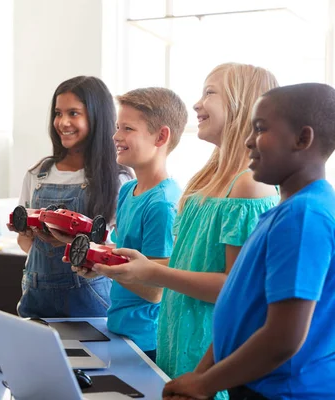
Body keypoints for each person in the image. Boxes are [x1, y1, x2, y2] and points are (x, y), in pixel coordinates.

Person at [92, 64, 280, 388]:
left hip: (209, 361)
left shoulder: (249, 186)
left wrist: (153, 273)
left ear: (242, 104)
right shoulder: (206, 180)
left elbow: (234, 288)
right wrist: (114, 264)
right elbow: (187, 264)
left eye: (210, 92)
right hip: (176, 350)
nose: (196, 103)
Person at [163, 83, 335, 400]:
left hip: (286, 392)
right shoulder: (284, 213)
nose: (247, 141)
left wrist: (204, 384)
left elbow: (284, 337)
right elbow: (242, 307)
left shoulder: (305, 215)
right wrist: (201, 375)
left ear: (302, 139)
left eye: (260, 129)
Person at [72, 87, 186, 362]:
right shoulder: (128, 190)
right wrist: (95, 260)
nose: (116, 136)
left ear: (161, 136)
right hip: (119, 327)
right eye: (116, 127)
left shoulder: (162, 204)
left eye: (128, 129)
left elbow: (155, 290)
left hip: (145, 338)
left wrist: (106, 270)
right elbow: (126, 255)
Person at [15, 76, 131, 318]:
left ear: (97, 117)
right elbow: (25, 244)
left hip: (91, 299)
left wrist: (75, 246)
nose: (63, 122)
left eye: (73, 113)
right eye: (58, 113)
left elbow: (119, 251)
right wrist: (32, 236)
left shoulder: (118, 179)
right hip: (36, 297)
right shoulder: (37, 174)